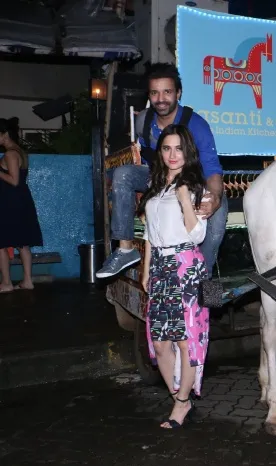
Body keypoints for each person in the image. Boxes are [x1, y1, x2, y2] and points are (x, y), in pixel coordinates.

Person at [96, 62, 227, 279]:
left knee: (218, 217)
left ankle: (203, 275)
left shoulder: (197, 125)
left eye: (167, 92)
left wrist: (214, 198)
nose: (161, 99)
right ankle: (126, 249)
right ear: (149, 95)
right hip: (158, 178)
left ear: (178, 93)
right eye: (155, 93)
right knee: (122, 174)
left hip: (193, 181)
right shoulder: (143, 120)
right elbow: (143, 155)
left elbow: (212, 170)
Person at [138, 124, 210, 429]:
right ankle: (181, 397)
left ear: (187, 152)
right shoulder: (155, 187)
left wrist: (184, 200)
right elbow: (150, 235)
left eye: (178, 148)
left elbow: (198, 235)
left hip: (186, 265)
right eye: (166, 148)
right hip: (159, 269)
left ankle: (180, 405)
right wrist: (145, 270)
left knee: (186, 340)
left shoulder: (196, 188)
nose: (172, 155)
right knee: (159, 341)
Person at [0, 117, 44, 293]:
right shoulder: (18, 152)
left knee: (2, 243)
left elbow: (14, 180)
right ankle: (27, 281)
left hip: (12, 203)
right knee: (22, 244)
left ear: (4, 135)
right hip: (19, 202)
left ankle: (6, 283)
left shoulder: (10, 154)